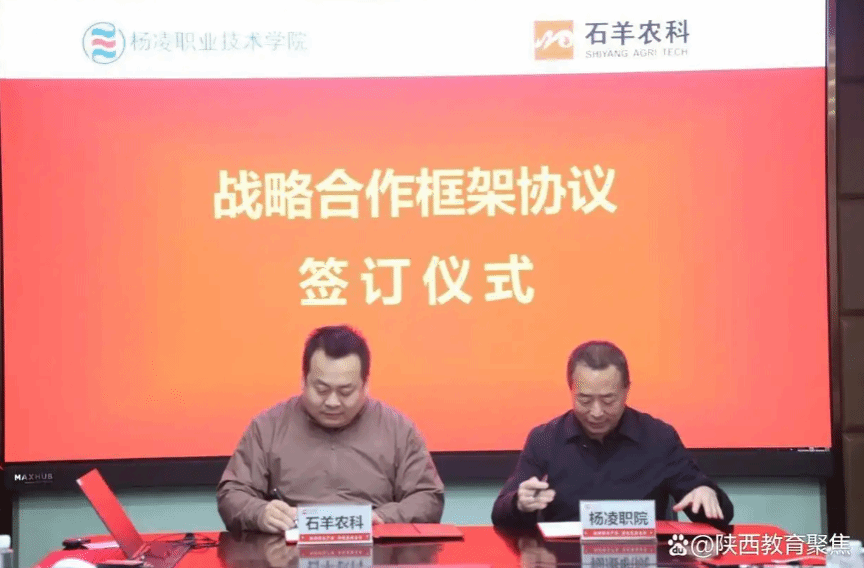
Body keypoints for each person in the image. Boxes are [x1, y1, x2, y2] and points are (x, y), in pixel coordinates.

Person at [217, 325, 444, 533]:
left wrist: (383, 518)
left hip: (376, 548)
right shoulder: (268, 427)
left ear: (366, 385)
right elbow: (232, 494)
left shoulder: (398, 429)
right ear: (303, 381)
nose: (332, 402)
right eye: (322, 390)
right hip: (286, 552)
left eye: (345, 392)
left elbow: (428, 497)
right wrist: (260, 513)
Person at [491, 340, 734, 528]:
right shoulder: (545, 439)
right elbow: (500, 514)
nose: (596, 412)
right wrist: (519, 503)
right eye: (585, 400)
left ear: (627, 390)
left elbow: (721, 515)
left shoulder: (659, 438)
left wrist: (706, 495)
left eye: (608, 400)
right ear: (571, 389)